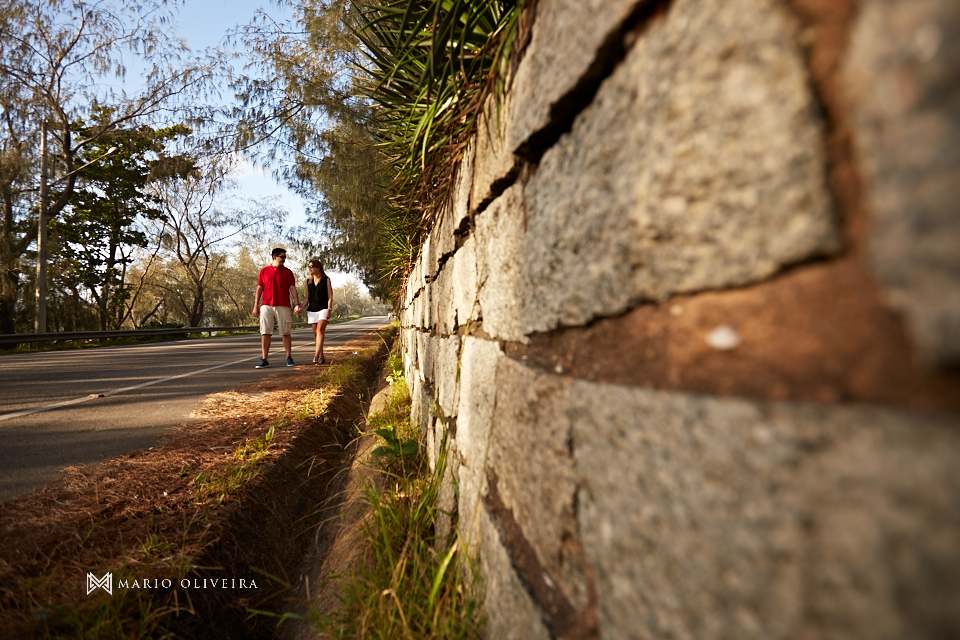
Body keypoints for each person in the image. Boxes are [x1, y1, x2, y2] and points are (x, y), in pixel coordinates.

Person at [252, 247, 301, 368]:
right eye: (282, 257)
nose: (284, 259)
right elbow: (259, 288)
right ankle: (264, 359)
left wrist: (297, 303)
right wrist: (256, 306)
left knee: (285, 332)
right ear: (274, 257)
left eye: (285, 257)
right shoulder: (264, 271)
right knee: (265, 332)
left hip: (283, 305)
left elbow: (292, 288)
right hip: (266, 305)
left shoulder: (288, 272)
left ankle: (289, 357)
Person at [296, 258, 333, 364]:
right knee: (316, 333)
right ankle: (322, 356)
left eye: (312, 266)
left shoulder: (326, 280)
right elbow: (307, 298)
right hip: (312, 309)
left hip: (324, 308)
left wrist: (329, 309)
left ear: (318, 268)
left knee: (320, 330)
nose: (310, 269)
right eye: (309, 267)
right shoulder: (308, 282)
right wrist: (301, 307)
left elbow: (330, 296)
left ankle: (316, 355)